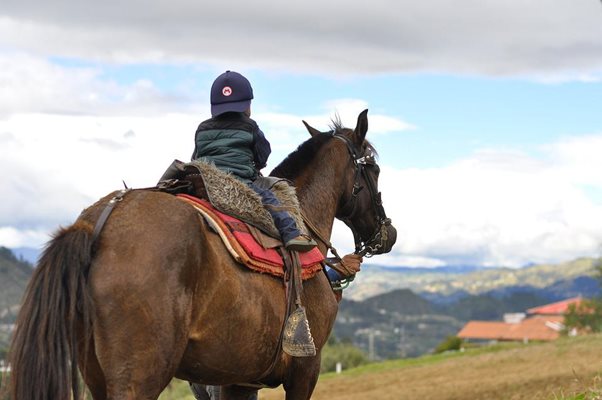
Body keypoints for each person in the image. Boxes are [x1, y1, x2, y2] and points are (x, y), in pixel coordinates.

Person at [192, 70, 316, 252]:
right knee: (270, 199)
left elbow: (196, 155)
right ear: (246, 104)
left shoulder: (202, 128)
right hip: (239, 180)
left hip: (205, 179)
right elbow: (263, 154)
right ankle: (291, 234)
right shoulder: (250, 126)